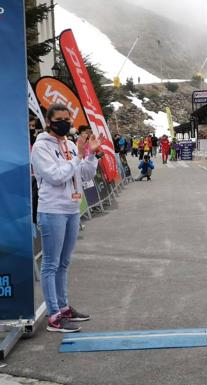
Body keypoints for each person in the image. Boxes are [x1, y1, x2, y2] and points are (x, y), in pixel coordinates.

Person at [31, 104, 101, 333]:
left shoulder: (70, 144)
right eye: (58, 119)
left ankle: (63, 307)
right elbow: (56, 176)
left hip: (71, 208)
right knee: (50, 263)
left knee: (64, 262)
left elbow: (85, 174)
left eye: (67, 118)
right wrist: (78, 157)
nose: (64, 122)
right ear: (49, 122)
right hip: (52, 210)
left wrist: (90, 155)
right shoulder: (41, 147)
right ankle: (53, 315)